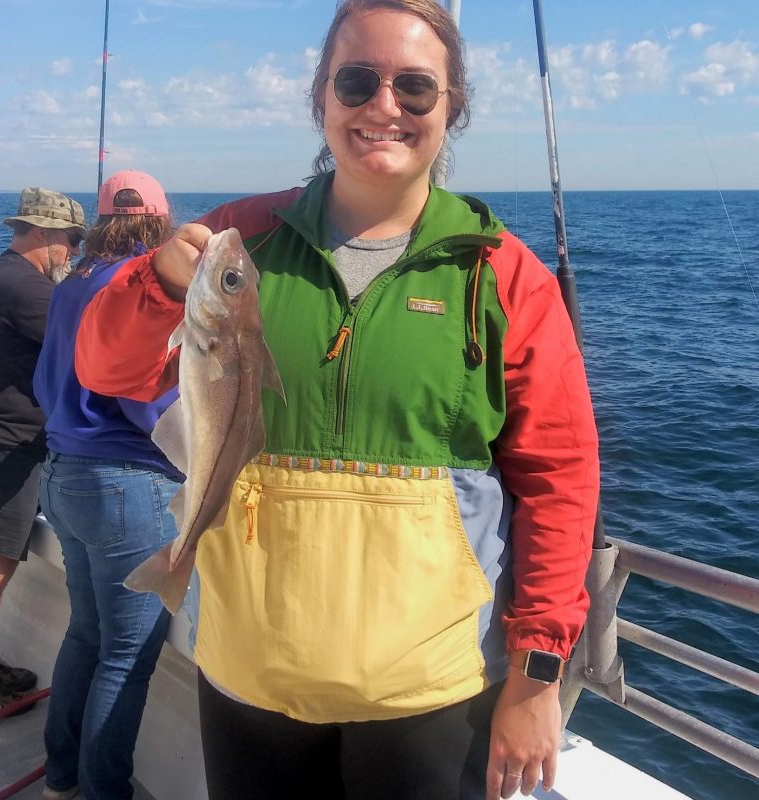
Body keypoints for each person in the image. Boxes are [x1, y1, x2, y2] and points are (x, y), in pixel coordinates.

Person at [74, 2, 600, 799]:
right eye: (356, 81)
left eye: (416, 88)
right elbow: (104, 368)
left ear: (452, 106)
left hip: (434, 690)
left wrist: (535, 680)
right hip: (250, 674)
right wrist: (155, 285)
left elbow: (558, 480)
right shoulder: (237, 243)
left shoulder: (503, 274)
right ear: (320, 96)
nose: (383, 106)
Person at [34, 170, 180, 800]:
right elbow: (147, 402)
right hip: (127, 487)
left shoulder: (72, 283)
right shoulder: (144, 283)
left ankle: (61, 779)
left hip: (62, 476)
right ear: (162, 222)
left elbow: (47, 383)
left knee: (86, 634)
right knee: (125, 654)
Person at [0, 187, 85, 717]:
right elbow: (85, 339)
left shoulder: (9, 279)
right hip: (6, 447)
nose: (75, 253)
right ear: (43, 234)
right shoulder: (27, 289)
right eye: (71, 242)